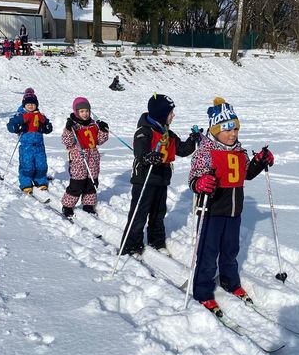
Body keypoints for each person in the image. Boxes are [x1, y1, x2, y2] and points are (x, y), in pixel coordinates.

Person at [187, 98, 274, 315]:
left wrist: (260, 161)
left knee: (230, 250)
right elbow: (193, 179)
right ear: (215, 130)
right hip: (211, 212)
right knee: (208, 253)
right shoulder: (206, 152)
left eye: (235, 128)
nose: (232, 134)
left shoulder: (239, 152)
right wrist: (200, 183)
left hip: (234, 211)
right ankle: (203, 292)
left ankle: (229, 281)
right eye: (226, 129)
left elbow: (246, 174)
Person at [119, 93, 198, 256]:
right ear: (161, 114)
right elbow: (140, 152)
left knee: (158, 213)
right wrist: (148, 156)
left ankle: (156, 241)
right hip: (144, 179)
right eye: (170, 113)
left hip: (161, 179)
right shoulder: (144, 131)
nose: (173, 115)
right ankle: (131, 245)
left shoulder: (168, 133)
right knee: (139, 213)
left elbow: (182, 150)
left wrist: (192, 140)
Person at [61, 97, 110, 217]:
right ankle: (68, 206)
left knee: (91, 183)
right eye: (82, 111)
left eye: (87, 111)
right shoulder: (74, 126)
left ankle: (88, 205)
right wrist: (68, 129)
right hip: (79, 159)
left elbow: (99, 140)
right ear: (76, 112)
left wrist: (103, 130)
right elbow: (67, 142)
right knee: (77, 184)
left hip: (93, 158)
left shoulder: (94, 125)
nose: (85, 114)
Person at [6, 89, 53, 193]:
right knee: (27, 165)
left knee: (41, 165)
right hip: (26, 146)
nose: (31, 106)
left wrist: (46, 127)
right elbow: (11, 124)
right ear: (24, 105)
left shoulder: (39, 115)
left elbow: (48, 125)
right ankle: (26, 183)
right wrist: (17, 128)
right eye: (28, 104)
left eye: (33, 104)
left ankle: (40, 180)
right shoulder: (21, 115)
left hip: (39, 146)